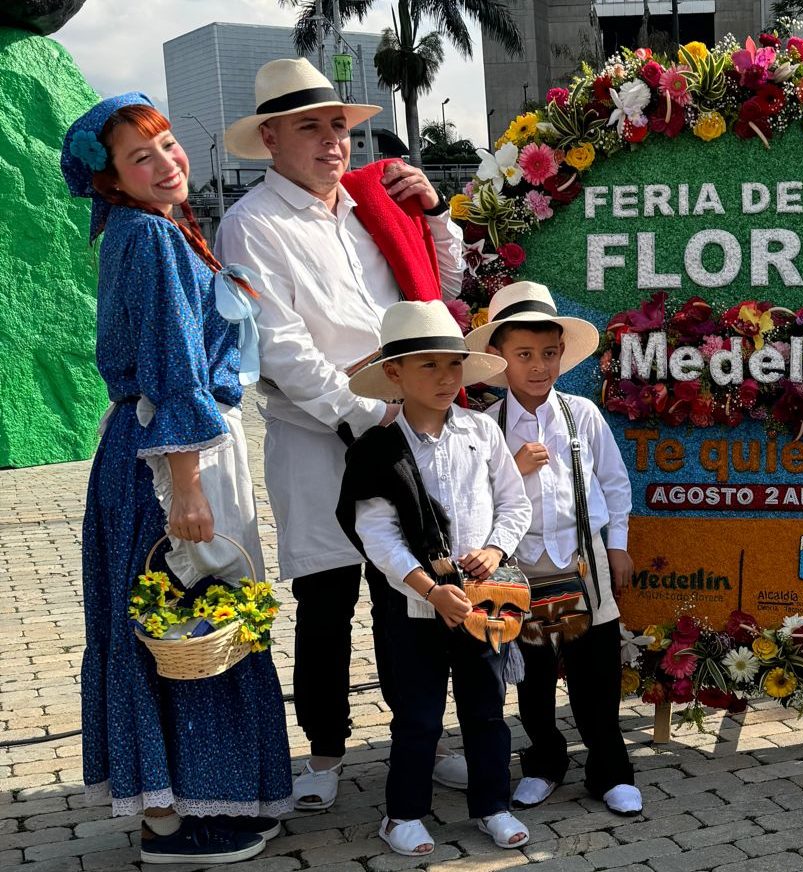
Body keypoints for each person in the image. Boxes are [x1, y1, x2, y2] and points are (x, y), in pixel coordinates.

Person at [216, 57, 469, 809]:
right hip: (319, 439)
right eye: (311, 128)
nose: (333, 143)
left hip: (403, 430)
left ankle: (419, 739)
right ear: (270, 139)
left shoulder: (370, 206)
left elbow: (441, 293)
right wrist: (369, 414)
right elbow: (282, 345)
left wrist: (434, 215)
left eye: (338, 126)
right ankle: (324, 757)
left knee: (414, 599)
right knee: (326, 605)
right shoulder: (249, 224)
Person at [64, 93, 292, 864]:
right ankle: (177, 815)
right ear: (111, 179)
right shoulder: (151, 239)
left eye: (167, 146)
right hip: (168, 457)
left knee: (185, 619)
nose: (165, 164)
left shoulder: (158, 231)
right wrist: (187, 485)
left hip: (170, 446)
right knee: (186, 616)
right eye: (141, 157)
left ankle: (186, 800)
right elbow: (173, 364)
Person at [334, 300, 533, 855]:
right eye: (428, 366)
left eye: (452, 365)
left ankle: (493, 804)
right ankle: (403, 814)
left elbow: (513, 505)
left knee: (486, 710)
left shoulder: (480, 433)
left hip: (485, 598)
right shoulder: (377, 450)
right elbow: (376, 532)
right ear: (394, 374)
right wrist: (428, 587)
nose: (445, 378)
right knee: (418, 715)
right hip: (416, 607)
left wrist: (495, 550)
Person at [466, 282, 643, 816]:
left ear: (562, 354)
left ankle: (610, 769)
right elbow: (473, 501)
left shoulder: (581, 414)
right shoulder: (486, 426)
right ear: (498, 358)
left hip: (581, 562)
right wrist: (513, 471)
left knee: (595, 672)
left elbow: (613, 482)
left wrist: (619, 546)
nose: (538, 366)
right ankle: (543, 761)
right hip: (520, 571)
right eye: (524, 355)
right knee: (534, 674)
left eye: (548, 353)